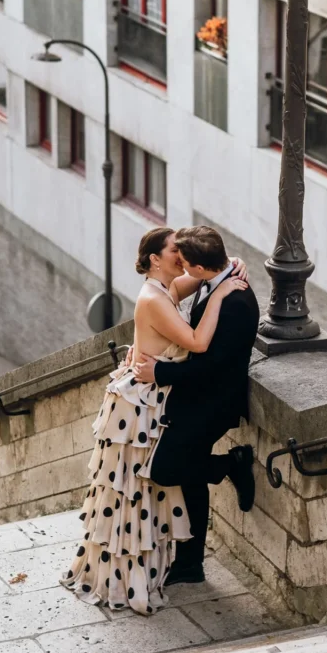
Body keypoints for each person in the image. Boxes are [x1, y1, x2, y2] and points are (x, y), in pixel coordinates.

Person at [61, 226, 249, 615]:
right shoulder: (153, 297)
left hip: (154, 397)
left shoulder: (166, 287)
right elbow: (197, 341)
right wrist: (225, 289)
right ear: (155, 260)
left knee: (148, 481)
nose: (179, 256)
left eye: (183, 253)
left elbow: (200, 279)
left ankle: (172, 562)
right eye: (172, 251)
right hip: (139, 404)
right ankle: (128, 569)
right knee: (134, 484)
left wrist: (231, 268)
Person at [133, 225, 260, 586]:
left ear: (202, 268)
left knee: (167, 470)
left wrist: (159, 371)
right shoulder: (215, 277)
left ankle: (229, 463)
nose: (180, 265)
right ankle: (190, 564)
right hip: (196, 395)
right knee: (188, 477)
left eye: (184, 262)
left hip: (213, 402)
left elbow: (212, 366)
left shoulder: (235, 300)